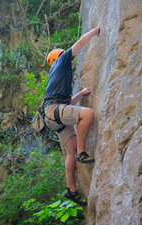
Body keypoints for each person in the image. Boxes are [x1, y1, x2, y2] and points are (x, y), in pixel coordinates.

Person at [43, 26, 100, 206]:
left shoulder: (56, 74)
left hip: (52, 116)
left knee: (70, 151)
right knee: (88, 114)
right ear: (60, 56)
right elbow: (81, 42)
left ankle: (71, 190)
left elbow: (67, 106)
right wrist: (95, 31)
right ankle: (82, 152)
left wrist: (81, 94)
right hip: (54, 111)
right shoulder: (62, 61)